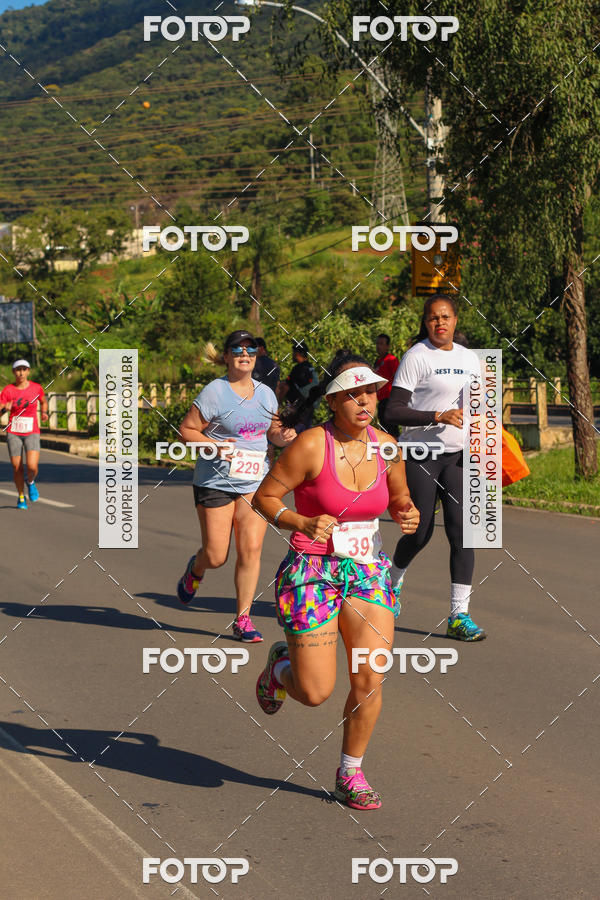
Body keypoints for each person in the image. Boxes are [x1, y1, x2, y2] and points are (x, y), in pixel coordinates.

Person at [252, 351, 420, 810]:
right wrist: (298, 522)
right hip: (312, 573)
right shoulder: (309, 445)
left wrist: (405, 511)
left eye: (370, 392)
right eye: (352, 394)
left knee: (370, 674)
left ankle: (351, 773)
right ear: (333, 402)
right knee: (314, 692)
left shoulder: (388, 447)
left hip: (367, 574)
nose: (364, 401)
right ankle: (280, 669)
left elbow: (400, 497)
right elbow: (264, 498)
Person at [177, 330, 296, 642]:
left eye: (251, 350)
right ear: (226, 356)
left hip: (254, 482)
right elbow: (187, 430)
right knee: (217, 555)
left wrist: (283, 437)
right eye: (238, 349)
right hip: (215, 480)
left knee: (251, 549)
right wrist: (214, 447)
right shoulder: (215, 392)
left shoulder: (266, 393)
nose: (245, 354)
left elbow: (271, 430)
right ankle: (196, 569)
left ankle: (243, 618)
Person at [385, 294, 486, 641]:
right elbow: (393, 411)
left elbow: (479, 407)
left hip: (459, 455)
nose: (440, 322)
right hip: (421, 453)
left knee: (463, 534)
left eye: (445, 317)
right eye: (433, 318)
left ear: (456, 320)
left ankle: (459, 616)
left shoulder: (471, 358)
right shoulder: (417, 356)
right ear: (426, 322)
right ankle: (393, 581)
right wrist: (436, 415)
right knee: (421, 532)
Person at [0, 359, 48, 510]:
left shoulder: (36, 388)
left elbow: (43, 401)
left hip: (31, 431)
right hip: (14, 432)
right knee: (16, 467)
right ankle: (21, 497)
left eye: (24, 369)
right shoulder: (8, 390)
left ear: (28, 371)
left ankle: (31, 482)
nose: (21, 372)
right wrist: (5, 410)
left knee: (32, 467)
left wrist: (44, 413)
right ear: (14, 372)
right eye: (18, 369)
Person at [277, 341, 320, 431]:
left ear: (298, 353)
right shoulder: (310, 367)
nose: (292, 355)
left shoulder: (298, 368)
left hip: (297, 406)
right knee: (305, 431)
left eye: (294, 353)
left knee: (293, 432)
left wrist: (278, 403)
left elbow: (286, 386)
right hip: (309, 406)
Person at [373, 333, 400, 439]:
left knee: (392, 430)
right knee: (384, 430)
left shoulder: (391, 360)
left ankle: (397, 451)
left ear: (388, 346)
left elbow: (398, 378)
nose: (378, 346)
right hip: (381, 400)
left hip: (389, 400)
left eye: (381, 344)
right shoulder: (378, 361)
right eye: (377, 343)